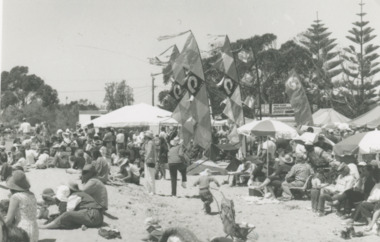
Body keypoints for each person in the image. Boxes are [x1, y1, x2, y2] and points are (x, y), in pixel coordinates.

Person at [39, 182, 104, 229]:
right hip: (96, 216)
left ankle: (46, 227)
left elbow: (67, 212)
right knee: (63, 216)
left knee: (66, 215)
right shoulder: (78, 194)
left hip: (92, 215)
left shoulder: (74, 196)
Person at [5, 170, 39, 241]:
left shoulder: (16, 197)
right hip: (34, 229)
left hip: (22, 229)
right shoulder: (31, 195)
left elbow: (8, 220)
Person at [141, 131, 156, 195]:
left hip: (150, 160)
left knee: (150, 176)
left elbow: (149, 151)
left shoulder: (150, 143)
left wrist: (146, 157)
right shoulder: (148, 143)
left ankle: (152, 190)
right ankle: (149, 190)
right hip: (149, 160)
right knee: (148, 176)